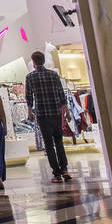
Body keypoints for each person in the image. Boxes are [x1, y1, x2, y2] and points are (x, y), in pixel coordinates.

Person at [26, 50, 72, 183]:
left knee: (49, 144)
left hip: (42, 114)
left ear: (33, 62)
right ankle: (64, 169)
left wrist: (30, 112)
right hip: (56, 112)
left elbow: (29, 97)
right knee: (59, 141)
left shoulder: (30, 77)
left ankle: (56, 173)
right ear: (44, 61)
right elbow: (61, 94)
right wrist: (67, 111)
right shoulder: (53, 75)